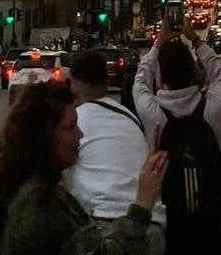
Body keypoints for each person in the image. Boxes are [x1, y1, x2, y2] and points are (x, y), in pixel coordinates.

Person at [0, 81, 167, 253]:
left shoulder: (31, 188)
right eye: (70, 127)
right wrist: (143, 203)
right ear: (44, 136)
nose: (80, 134)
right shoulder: (41, 207)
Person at [134, 22, 221, 253]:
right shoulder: (212, 108)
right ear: (194, 72)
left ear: (161, 76)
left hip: (171, 222)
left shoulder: (153, 113)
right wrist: (196, 40)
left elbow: (141, 80)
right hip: (210, 222)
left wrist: (158, 42)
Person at [68, 48, 165, 255]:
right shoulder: (129, 117)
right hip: (153, 224)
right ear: (106, 82)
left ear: (73, 84)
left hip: (105, 226)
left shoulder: (72, 124)